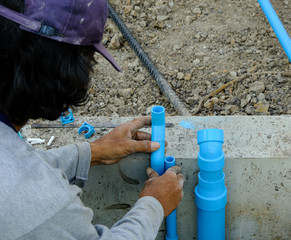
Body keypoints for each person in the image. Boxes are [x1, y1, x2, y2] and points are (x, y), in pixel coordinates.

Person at [0, 0, 184, 239]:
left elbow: (14, 169)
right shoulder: (49, 207)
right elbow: (25, 189)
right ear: (64, 74)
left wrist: (90, 153)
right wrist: (154, 204)